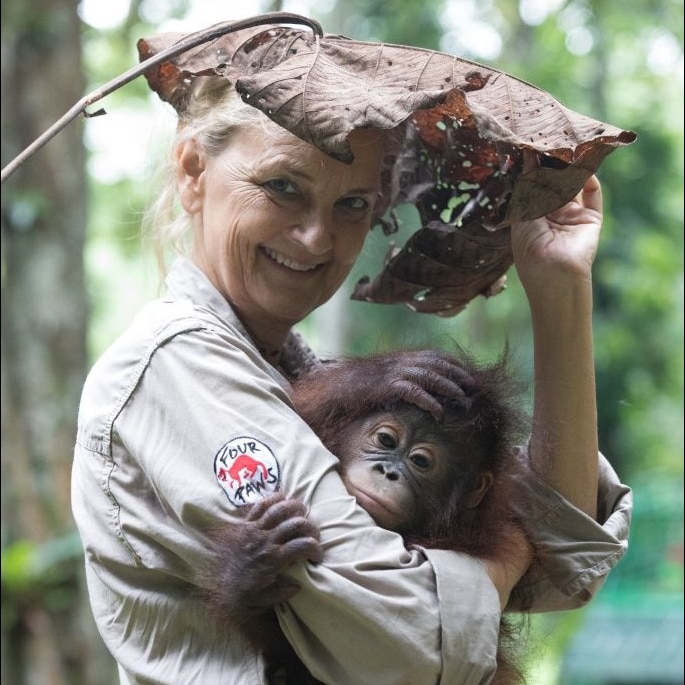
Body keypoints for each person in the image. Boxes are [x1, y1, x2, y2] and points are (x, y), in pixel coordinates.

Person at [71, 20, 632, 685]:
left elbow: (564, 561)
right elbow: (409, 644)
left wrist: (558, 283)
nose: (315, 237)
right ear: (193, 172)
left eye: (353, 203)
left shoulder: (301, 378)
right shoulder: (178, 366)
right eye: (282, 187)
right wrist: (506, 558)